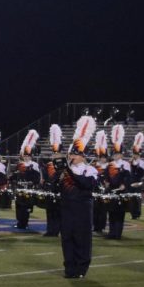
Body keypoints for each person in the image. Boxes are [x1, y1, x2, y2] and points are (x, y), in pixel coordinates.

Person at [59, 116, 98, 278]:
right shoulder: (66, 171)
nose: (71, 157)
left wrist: (69, 172)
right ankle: (69, 268)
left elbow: (86, 184)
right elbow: (56, 186)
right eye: (71, 154)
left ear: (82, 155)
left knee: (82, 239)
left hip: (82, 209)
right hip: (67, 208)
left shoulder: (90, 170)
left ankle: (81, 268)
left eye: (75, 154)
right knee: (67, 238)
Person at [10, 129, 42, 230]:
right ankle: (19, 222)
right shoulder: (19, 164)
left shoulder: (34, 165)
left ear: (31, 156)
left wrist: (30, 171)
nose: (26, 157)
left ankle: (25, 222)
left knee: (27, 207)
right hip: (19, 187)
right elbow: (14, 176)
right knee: (19, 207)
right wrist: (13, 176)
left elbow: (37, 178)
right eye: (25, 155)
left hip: (29, 188)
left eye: (28, 156)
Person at [42, 125, 64, 238]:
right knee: (49, 212)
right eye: (53, 153)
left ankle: (56, 231)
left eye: (57, 153)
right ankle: (50, 230)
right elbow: (45, 178)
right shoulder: (48, 165)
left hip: (59, 191)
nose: (55, 155)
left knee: (57, 213)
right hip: (50, 191)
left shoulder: (64, 166)